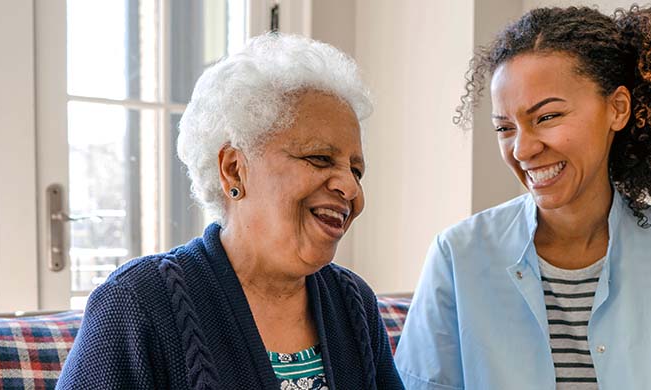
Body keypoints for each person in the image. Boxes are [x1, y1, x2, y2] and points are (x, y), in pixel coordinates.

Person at [395, 6, 651, 390]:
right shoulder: (458, 255)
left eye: (547, 117)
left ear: (617, 109)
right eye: (505, 127)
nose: (523, 149)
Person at [58, 33, 404, 390]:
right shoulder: (136, 302)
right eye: (319, 158)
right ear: (234, 169)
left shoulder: (352, 302)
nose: (350, 189)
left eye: (356, 171)